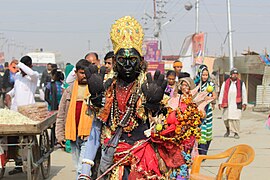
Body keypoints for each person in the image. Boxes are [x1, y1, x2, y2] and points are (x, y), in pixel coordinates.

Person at [79, 16, 202, 180]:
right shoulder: (107, 89)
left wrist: (155, 107)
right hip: (113, 162)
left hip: (145, 162)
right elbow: (95, 131)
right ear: (115, 62)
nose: (128, 65)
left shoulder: (150, 88)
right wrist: (84, 171)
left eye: (133, 60)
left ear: (142, 61)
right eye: (123, 60)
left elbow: (168, 129)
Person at [55, 59, 93, 177]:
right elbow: (61, 114)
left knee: (82, 168)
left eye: (86, 73)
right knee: (77, 166)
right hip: (73, 135)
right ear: (76, 73)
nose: (84, 76)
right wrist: (60, 135)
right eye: (81, 73)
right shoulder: (69, 91)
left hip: (88, 135)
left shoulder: (94, 90)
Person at [4, 55, 39, 175]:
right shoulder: (18, 76)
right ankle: (18, 164)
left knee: (27, 141)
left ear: (29, 66)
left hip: (29, 114)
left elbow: (30, 72)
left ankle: (31, 162)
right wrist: (8, 95)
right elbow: (15, 90)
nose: (21, 70)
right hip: (16, 113)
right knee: (12, 140)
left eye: (23, 68)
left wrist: (19, 65)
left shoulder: (33, 76)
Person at [194, 65, 217, 155]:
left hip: (208, 111)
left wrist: (209, 98)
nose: (204, 77)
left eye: (206, 75)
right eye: (203, 75)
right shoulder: (196, 85)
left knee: (207, 131)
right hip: (198, 111)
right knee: (199, 131)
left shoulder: (210, 85)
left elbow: (214, 96)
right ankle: (200, 153)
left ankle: (204, 152)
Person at [218, 68, 247, 139]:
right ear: (230, 75)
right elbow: (222, 93)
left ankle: (236, 132)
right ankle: (228, 130)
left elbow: (244, 93)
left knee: (236, 119)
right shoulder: (226, 83)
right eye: (233, 74)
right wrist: (220, 102)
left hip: (237, 104)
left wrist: (244, 103)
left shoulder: (241, 83)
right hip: (227, 104)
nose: (235, 75)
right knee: (226, 119)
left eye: (236, 74)